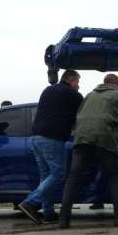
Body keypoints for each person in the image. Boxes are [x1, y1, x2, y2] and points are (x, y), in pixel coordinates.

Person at [58, 74, 118, 229]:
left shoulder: (89, 95)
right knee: (113, 176)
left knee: (73, 177)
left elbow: (79, 116)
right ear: (117, 84)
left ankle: (63, 219)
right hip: (104, 139)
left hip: (81, 139)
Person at [17, 70, 83, 224]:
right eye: (78, 82)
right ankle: (30, 203)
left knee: (46, 176)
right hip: (52, 138)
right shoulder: (73, 95)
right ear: (71, 80)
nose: (78, 86)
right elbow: (83, 115)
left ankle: (48, 212)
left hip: (35, 137)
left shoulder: (48, 90)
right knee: (59, 174)